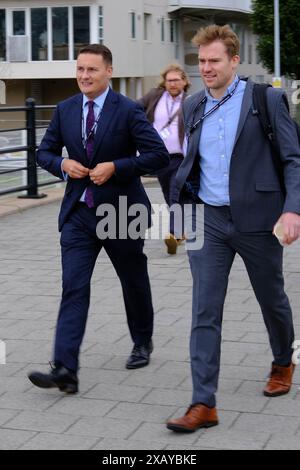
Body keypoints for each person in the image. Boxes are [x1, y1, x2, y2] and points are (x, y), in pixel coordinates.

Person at [166, 25, 300, 432]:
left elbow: (293, 159)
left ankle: (282, 360)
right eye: (201, 61)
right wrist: (182, 214)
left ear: (234, 60)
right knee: (204, 310)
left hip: (259, 219)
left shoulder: (266, 99)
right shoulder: (191, 106)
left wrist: (292, 210)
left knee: (271, 297)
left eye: (214, 61)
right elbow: (189, 166)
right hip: (209, 220)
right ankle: (203, 403)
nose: (205, 68)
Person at [28, 44, 169, 394]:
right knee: (73, 287)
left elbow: (157, 156)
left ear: (108, 71)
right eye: (80, 70)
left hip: (121, 210)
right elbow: (42, 152)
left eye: (92, 69)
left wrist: (117, 167)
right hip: (79, 212)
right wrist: (61, 164)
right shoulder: (65, 109)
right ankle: (65, 368)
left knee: (132, 279)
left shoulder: (129, 110)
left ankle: (142, 341)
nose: (84, 76)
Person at [139, 64, 190, 255]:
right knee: (170, 196)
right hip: (159, 157)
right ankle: (180, 231)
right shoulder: (155, 97)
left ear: (184, 81)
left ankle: (173, 233)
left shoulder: (190, 101)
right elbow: (135, 107)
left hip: (180, 157)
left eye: (176, 80)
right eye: (169, 80)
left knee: (176, 192)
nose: (173, 84)